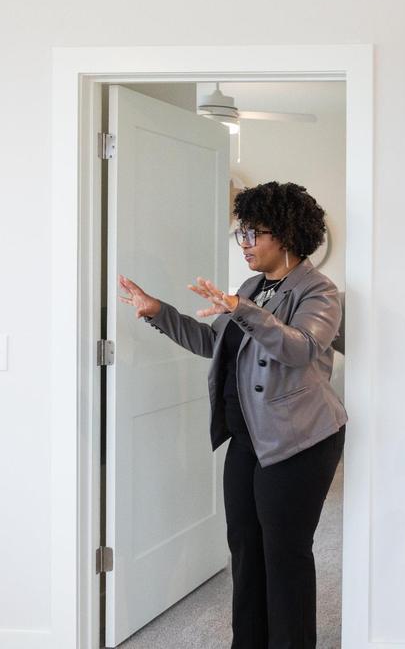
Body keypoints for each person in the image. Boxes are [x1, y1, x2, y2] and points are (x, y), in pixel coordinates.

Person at [118, 181, 345, 649]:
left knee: (285, 554)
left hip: (299, 440)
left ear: (286, 233)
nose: (244, 243)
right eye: (242, 232)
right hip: (248, 437)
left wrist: (244, 310)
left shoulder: (318, 291)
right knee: (244, 545)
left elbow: (300, 348)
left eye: (254, 233)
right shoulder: (252, 288)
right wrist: (158, 311)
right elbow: (213, 342)